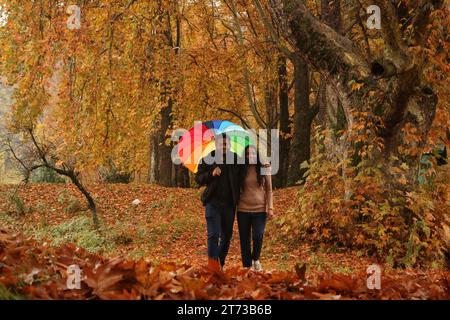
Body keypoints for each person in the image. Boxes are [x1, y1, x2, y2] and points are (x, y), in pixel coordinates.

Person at [195, 133, 241, 273]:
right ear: (217, 144)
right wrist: (211, 174)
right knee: (213, 234)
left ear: (230, 145)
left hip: (229, 204)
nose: (224, 146)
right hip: (213, 203)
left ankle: (219, 261)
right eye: (222, 144)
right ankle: (212, 266)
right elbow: (198, 178)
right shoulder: (208, 159)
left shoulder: (236, 159)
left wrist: (263, 165)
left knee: (227, 236)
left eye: (227, 144)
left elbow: (247, 170)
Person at [237, 145, 273, 271]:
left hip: (259, 210)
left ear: (256, 155)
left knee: (258, 235)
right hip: (242, 209)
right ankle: (247, 265)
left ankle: (255, 259)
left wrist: (270, 208)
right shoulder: (240, 169)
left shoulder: (263, 168)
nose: (250, 156)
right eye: (247, 154)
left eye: (252, 153)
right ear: (244, 156)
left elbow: (269, 190)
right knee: (244, 239)